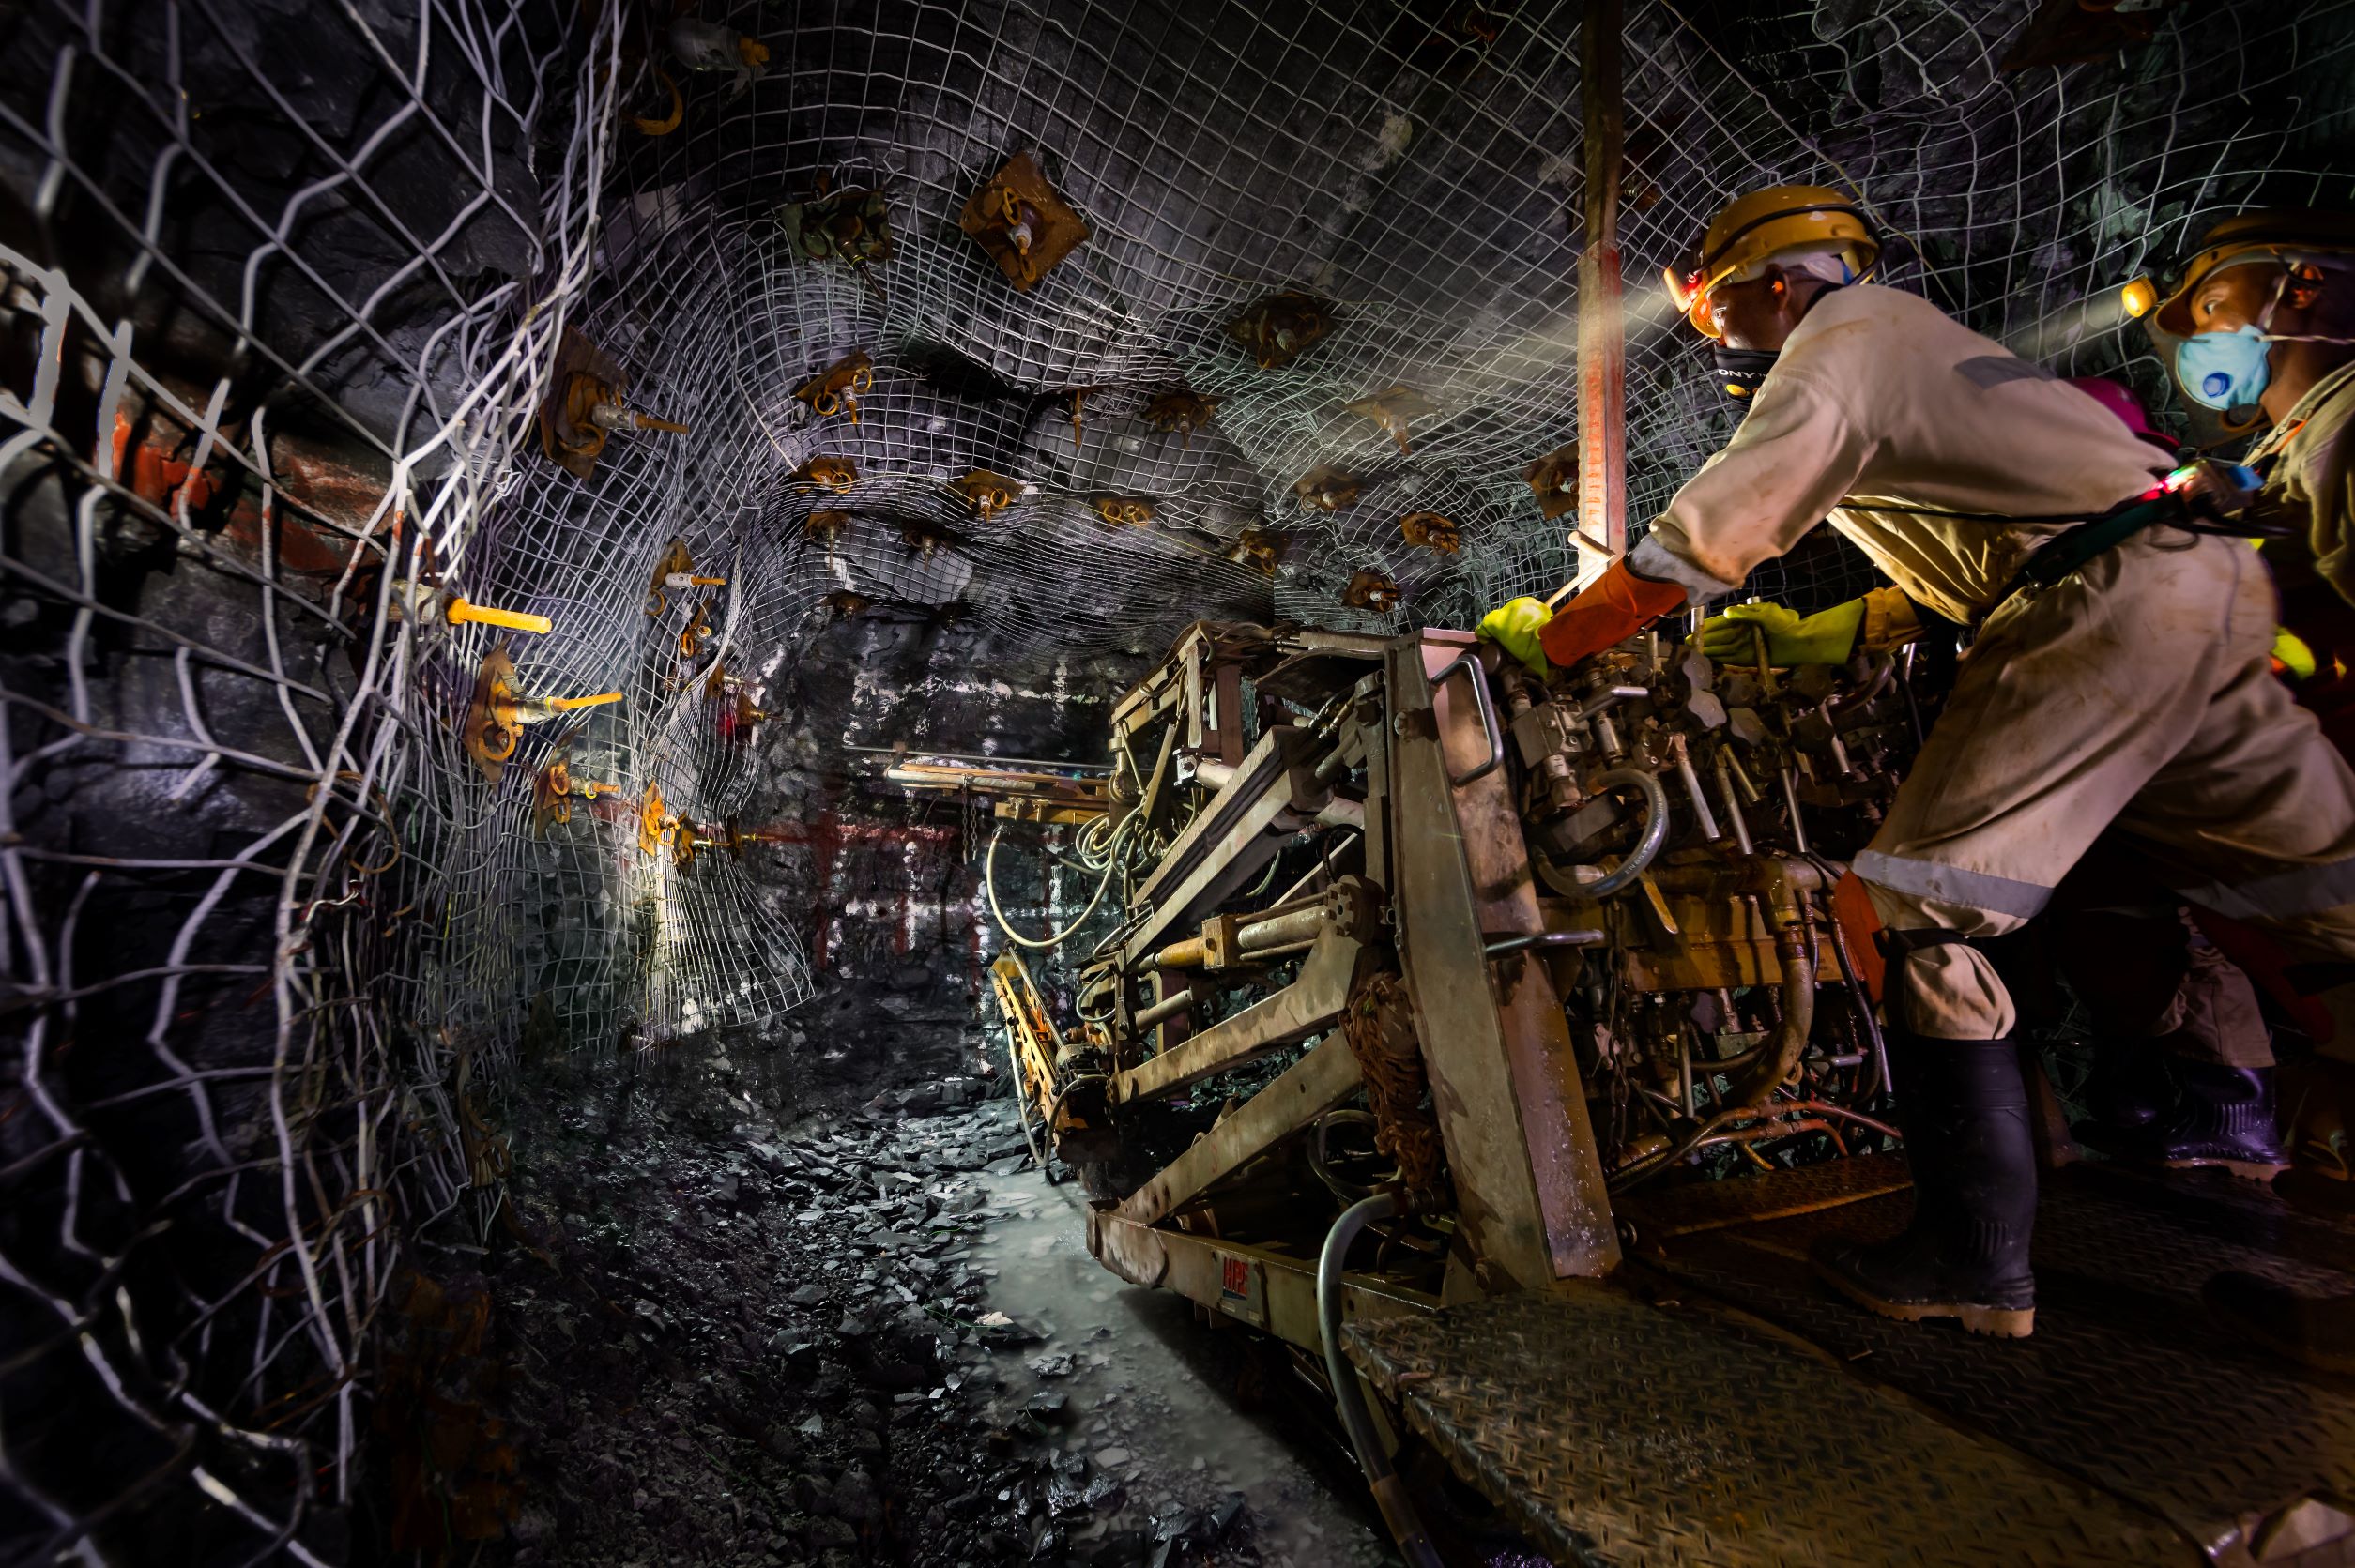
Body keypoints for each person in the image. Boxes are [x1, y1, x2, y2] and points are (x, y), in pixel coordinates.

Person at [1480, 185, 2355, 1340]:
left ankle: (1969, 1264)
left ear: (1777, 283)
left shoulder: (1840, 340)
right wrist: (1826, 631)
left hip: (2103, 610)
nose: (1715, 340)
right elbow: (2005, 524)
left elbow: (1699, 545)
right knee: (2328, 900)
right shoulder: (1912, 343)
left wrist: (1549, 640)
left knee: (1920, 908)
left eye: (1717, 312)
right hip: (2191, 586)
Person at [2139, 207, 2355, 1372]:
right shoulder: (2288, 450)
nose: (2198, 343)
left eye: (2212, 310)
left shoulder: (2349, 422)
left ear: (2301, 288)